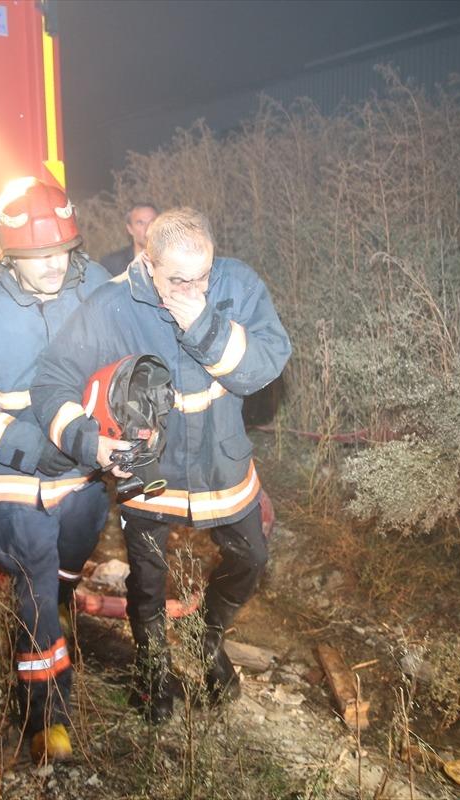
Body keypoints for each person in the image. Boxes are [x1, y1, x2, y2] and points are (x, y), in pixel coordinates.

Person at [32, 207, 291, 722]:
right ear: (149, 264)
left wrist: (206, 324)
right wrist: (90, 442)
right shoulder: (112, 304)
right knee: (148, 579)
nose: (194, 288)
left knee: (251, 560)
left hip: (222, 459)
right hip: (148, 467)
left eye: (203, 276)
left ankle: (208, 643)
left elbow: (268, 362)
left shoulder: (236, 285)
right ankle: (153, 671)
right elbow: (51, 380)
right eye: (179, 280)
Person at [0, 177, 110, 761]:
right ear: (7, 255)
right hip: (19, 480)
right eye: (38, 258)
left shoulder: (94, 287)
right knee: (37, 594)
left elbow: (128, 349)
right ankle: (45, 720)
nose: (54, 268)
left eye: (62, 253)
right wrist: (28, 449)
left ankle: (63, 598)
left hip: (84, 477)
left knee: (68, 566)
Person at [100, 202, 157, 277]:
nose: (147, 228)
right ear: (130, 229)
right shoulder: (112, 264)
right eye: (140, 223)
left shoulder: (171, 260)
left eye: (152, 222)